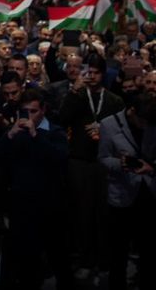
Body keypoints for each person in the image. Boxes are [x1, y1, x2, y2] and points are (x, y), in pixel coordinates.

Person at [0, 88, 71, 290]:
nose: (29, 115)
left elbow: (59, 158)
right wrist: (9, 135)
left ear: (43, 110)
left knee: (58, 255)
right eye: (26, 111)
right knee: (26, 260)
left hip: (50, 204)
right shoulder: (15, 133)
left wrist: (35, 135)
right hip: (21, 204)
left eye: (33, 111)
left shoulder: (55, 132)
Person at [58, 57, 123, 278]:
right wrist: (74, 92)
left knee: (104, 214)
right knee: (82, 212)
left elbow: (120, 131)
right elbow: (62, 119)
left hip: (105, 162)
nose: (92, 76)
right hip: (80, 161)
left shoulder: (114, 100)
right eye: (89, 72)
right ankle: (85, 260)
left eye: (96, 72)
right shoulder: (77, 96)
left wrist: (103, 131)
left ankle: (104, 262)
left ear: (103, 74)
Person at [97, 91, 156, 290]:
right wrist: (120, 164)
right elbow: (103, 158)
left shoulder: (151, 121)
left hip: (149, 193)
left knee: (148, 250)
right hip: (122, 195)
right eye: (142, 121)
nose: (145, 126)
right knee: (118, 253)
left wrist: (151, 168)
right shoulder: (109, 124)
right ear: (132, 111)